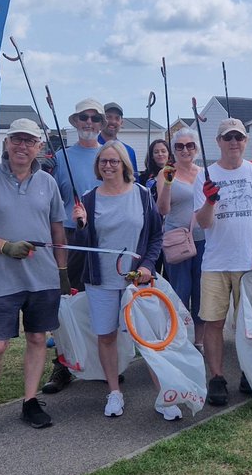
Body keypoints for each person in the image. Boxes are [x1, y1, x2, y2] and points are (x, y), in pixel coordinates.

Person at [0, 119, 68, 441]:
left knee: (37, 340)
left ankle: (30, 401)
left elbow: (58, 230)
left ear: (39, 146)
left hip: (43, 278)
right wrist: (5, 247)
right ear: (7, 143)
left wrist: (62, 272)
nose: (23, 146)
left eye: (30, 141)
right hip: (4, 280)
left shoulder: (47, 183)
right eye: (17, 140)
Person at [70, 141, 169, 420]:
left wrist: (148, 265)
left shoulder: (140, 194)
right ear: (97, 165)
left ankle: (163, 394)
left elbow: (155, 235)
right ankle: (114, 392)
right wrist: (80, 224)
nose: (108, 166)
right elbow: (82, 244)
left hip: (136, 280)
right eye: (103, 161)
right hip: (100, 281)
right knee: (106, 335)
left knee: (147, 338)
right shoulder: (89, 199)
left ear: (124, 164)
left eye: (114, 161)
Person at [194, 118, 252, 404]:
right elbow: (203, 224)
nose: (233, 143)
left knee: (251, 324)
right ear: (218, 142)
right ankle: (217, 377)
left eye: (238, 138)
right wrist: (209, 201)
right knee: (213, 323)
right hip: (215, 264)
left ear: (245, 141)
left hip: (250, 262)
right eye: (227, 137)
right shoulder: (204, 175)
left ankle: (251, 373)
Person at [44, 98, 106, 395]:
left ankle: (102, 361)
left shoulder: (110, 155)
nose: (89, 123)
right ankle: (63, 364)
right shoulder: (60, 157)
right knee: (66, 302)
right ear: (75, 121)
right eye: (84, 117)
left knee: (100, 302)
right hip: (68, 238)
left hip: (102, 239)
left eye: (95, 118)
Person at [157, 128, 206, 338]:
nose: (185, 150)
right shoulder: (165, 173)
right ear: (174, 150)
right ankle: (180, 338)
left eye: (189, 145)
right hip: (176, 241)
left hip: (203, 240)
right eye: (179, 146)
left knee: (201, 293)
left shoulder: (203, 173)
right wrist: (168, 183)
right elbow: (162, 210)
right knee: (180, 292)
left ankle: (200, 340)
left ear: (196, 148)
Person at [99, 101, 138, 180]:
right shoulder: (91, 148)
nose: (113, 121)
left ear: (121, 122)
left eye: (117, 118)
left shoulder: (129, 151)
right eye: (108, 117)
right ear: (101, 120)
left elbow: (133, 181)